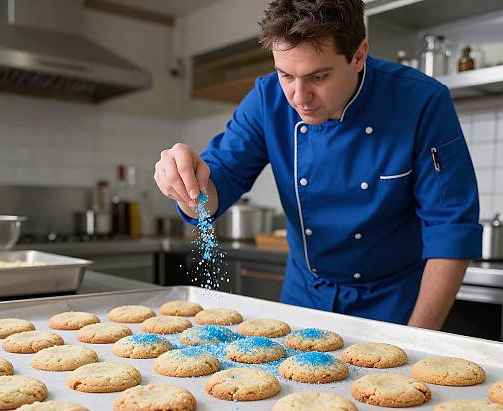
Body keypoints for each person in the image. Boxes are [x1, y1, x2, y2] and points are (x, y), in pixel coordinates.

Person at [154, 0, 482, 330]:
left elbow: (450, 227)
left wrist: (419, 339)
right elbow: (218, 182)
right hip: (305, 299)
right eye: (285, 74)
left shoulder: (421, 102)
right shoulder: (268, 99)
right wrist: (188, 185)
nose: (299, 96)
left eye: (318, 76)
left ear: (359, 55)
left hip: (394, 304)